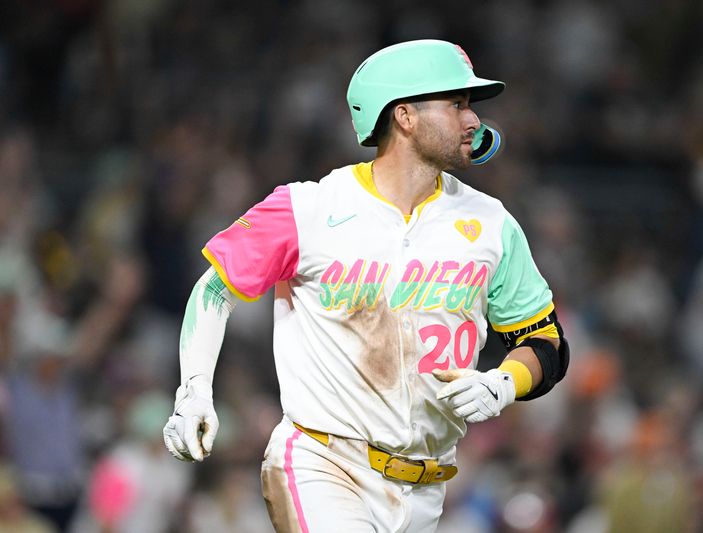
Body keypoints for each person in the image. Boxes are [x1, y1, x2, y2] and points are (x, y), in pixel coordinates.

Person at [163, 39, 569, 532]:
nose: (473, 121)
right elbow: (213, 291)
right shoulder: (307, 208)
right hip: (322, 463)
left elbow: (546, 342)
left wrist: (505, 382)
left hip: (426, 488)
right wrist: (194, 392)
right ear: (404, 116)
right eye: (456, 104)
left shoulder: (492, 223)